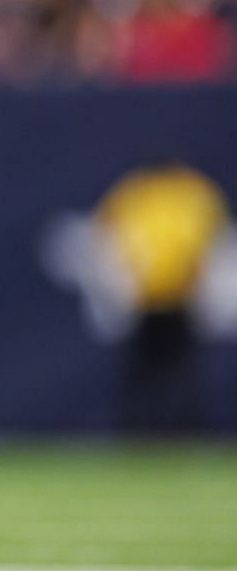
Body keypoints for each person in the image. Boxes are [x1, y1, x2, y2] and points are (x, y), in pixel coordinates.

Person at [94, 160, 229, 433]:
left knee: (166, 373)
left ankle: (167, 431)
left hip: (167, 301)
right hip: (159, 301)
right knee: (158, 373)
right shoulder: (187, 195)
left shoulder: (141, 194)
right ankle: (147, 430)